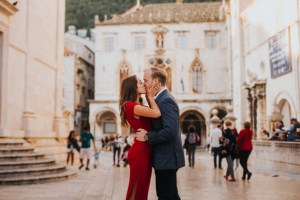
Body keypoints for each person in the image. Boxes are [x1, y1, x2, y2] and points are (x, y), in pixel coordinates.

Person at [137, 67, 185, 200]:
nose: (144, 83)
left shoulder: (165, 100)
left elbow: (170, 131)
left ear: (156, 81)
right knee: (171, 195)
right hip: (166, 157)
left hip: (167, 157)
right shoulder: (161, 98)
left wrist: (147, 136)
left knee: (165, 196)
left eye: (146, 80)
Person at [119, 74, 161, 200]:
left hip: (144, 149)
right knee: (137, 189)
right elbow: (156, 113)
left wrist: (149, 98)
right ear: (132, 87)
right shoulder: (131, 106)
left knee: (141, 189)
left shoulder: (138, 105)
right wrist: (150, 96)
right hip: (140, 152)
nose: (143, 84)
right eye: (140, 82)